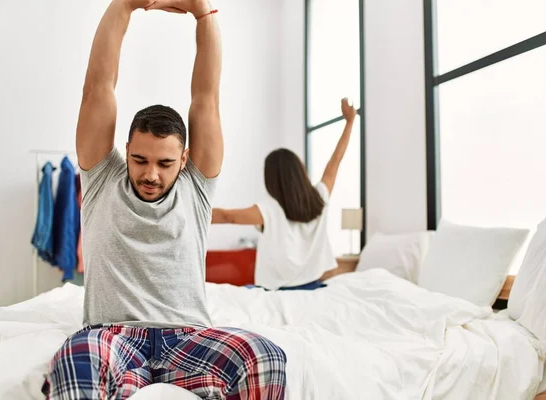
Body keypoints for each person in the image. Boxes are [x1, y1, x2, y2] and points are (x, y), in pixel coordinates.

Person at [42, 1, 287, 399]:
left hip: (188, 337)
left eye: (164, 163)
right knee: (75, 359)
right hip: (113, 334)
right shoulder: (103, 176)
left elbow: (206, 98)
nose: (150, 174)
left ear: (185, 160)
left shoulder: (197, 186)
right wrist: (125, 5)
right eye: (139, 160)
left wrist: (203, 11)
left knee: (267, 358)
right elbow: (97, 88)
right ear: (125, 150)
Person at [212, 98, 358, 291]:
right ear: (300, 172)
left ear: (272, 180)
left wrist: (187, 212)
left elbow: (227, 216)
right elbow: (335, 161)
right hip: (313, 287)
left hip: (276, 290)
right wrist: (349, 122)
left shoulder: (269, 210)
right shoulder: (320, 197)